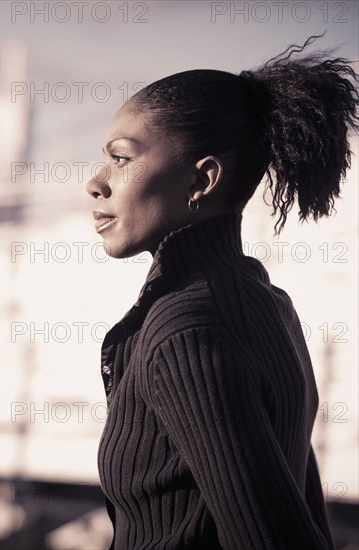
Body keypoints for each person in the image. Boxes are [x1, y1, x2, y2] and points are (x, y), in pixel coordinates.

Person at [85, 34, 358, 550]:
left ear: (202, 180)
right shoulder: (264, 301)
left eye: (121, 159)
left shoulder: (187, 329)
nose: (96, 183)